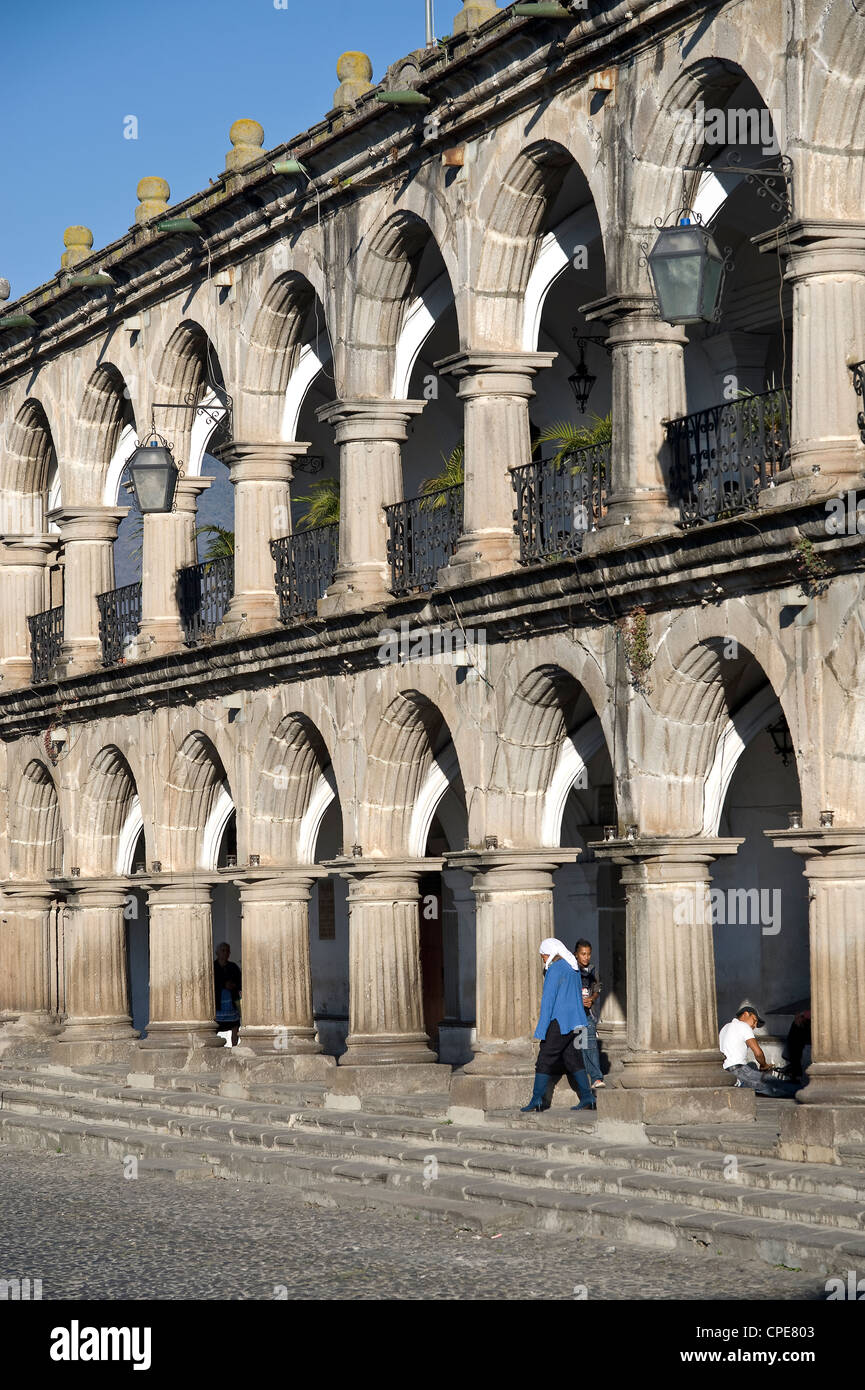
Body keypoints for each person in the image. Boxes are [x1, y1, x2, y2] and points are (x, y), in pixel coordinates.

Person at [521, 937, 596, 1113]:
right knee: (573, 1059)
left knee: (544, 1059)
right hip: (577, 1021)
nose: (544, 960)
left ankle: (537, 1100)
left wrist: (541, 1029)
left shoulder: (555, 970)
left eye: (544, 957)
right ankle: (588, 1098)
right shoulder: (573, 967)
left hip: (560, 1021)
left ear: (550, 953)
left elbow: (548, 1001)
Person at [719, 1005, 800, 1098]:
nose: (754, 1026)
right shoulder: (743, 1025)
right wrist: (764, 1065)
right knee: (773, 1084)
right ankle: (805, 1091)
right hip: (739, 1071)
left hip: (726, 1072)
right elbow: (758, 1053)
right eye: (754, 1020)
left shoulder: (725, 1027)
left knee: (760, 1082)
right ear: (745, 1014)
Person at [574, 938, 605, 1089]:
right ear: (576, 955)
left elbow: (597, 987)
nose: (586, 957)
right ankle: (584, 1079)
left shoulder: (593, 970)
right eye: (583, 954)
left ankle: (596, 1078)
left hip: (588, 1013)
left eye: (588, 954)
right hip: (575, 1014)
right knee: (580, 1045)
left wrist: (592, 999)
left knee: (591, 1044)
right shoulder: (572, 970)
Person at [214, 941, 242, 1046]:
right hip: (218, 1004)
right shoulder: (213, 967)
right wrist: (223, 985)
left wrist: (233, 985)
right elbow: (210, 983)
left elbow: (240, 982)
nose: (225, 953)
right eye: (223, 950)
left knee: (235, 1026)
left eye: (227, 951)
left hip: (231, 1003)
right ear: (217, 952)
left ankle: (234, 1048)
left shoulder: (233, 967)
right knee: (214, 1027)